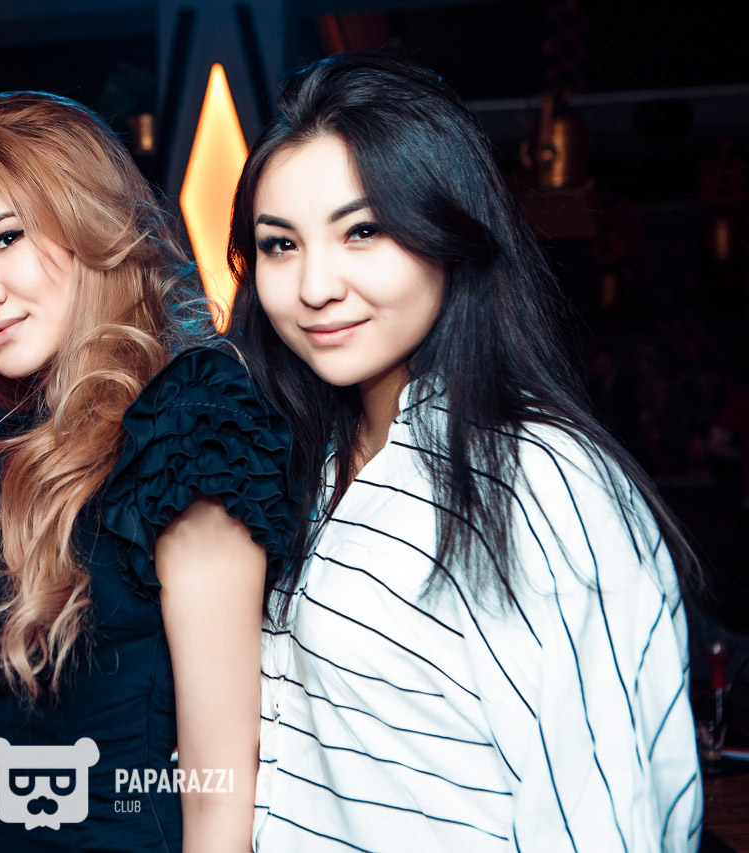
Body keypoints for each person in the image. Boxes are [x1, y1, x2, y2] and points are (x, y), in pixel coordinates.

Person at [228, 55, 702, 852]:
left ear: (450, 231)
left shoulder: (538, 482)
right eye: (280, 244)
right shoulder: (309, 463)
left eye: (363, 230)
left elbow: (604, 820)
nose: (314, 286)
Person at [0, 91, 295, 852]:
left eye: (5, 238)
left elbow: (221, 783)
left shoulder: (189, 423)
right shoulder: (20, 447)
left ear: (85, 220)